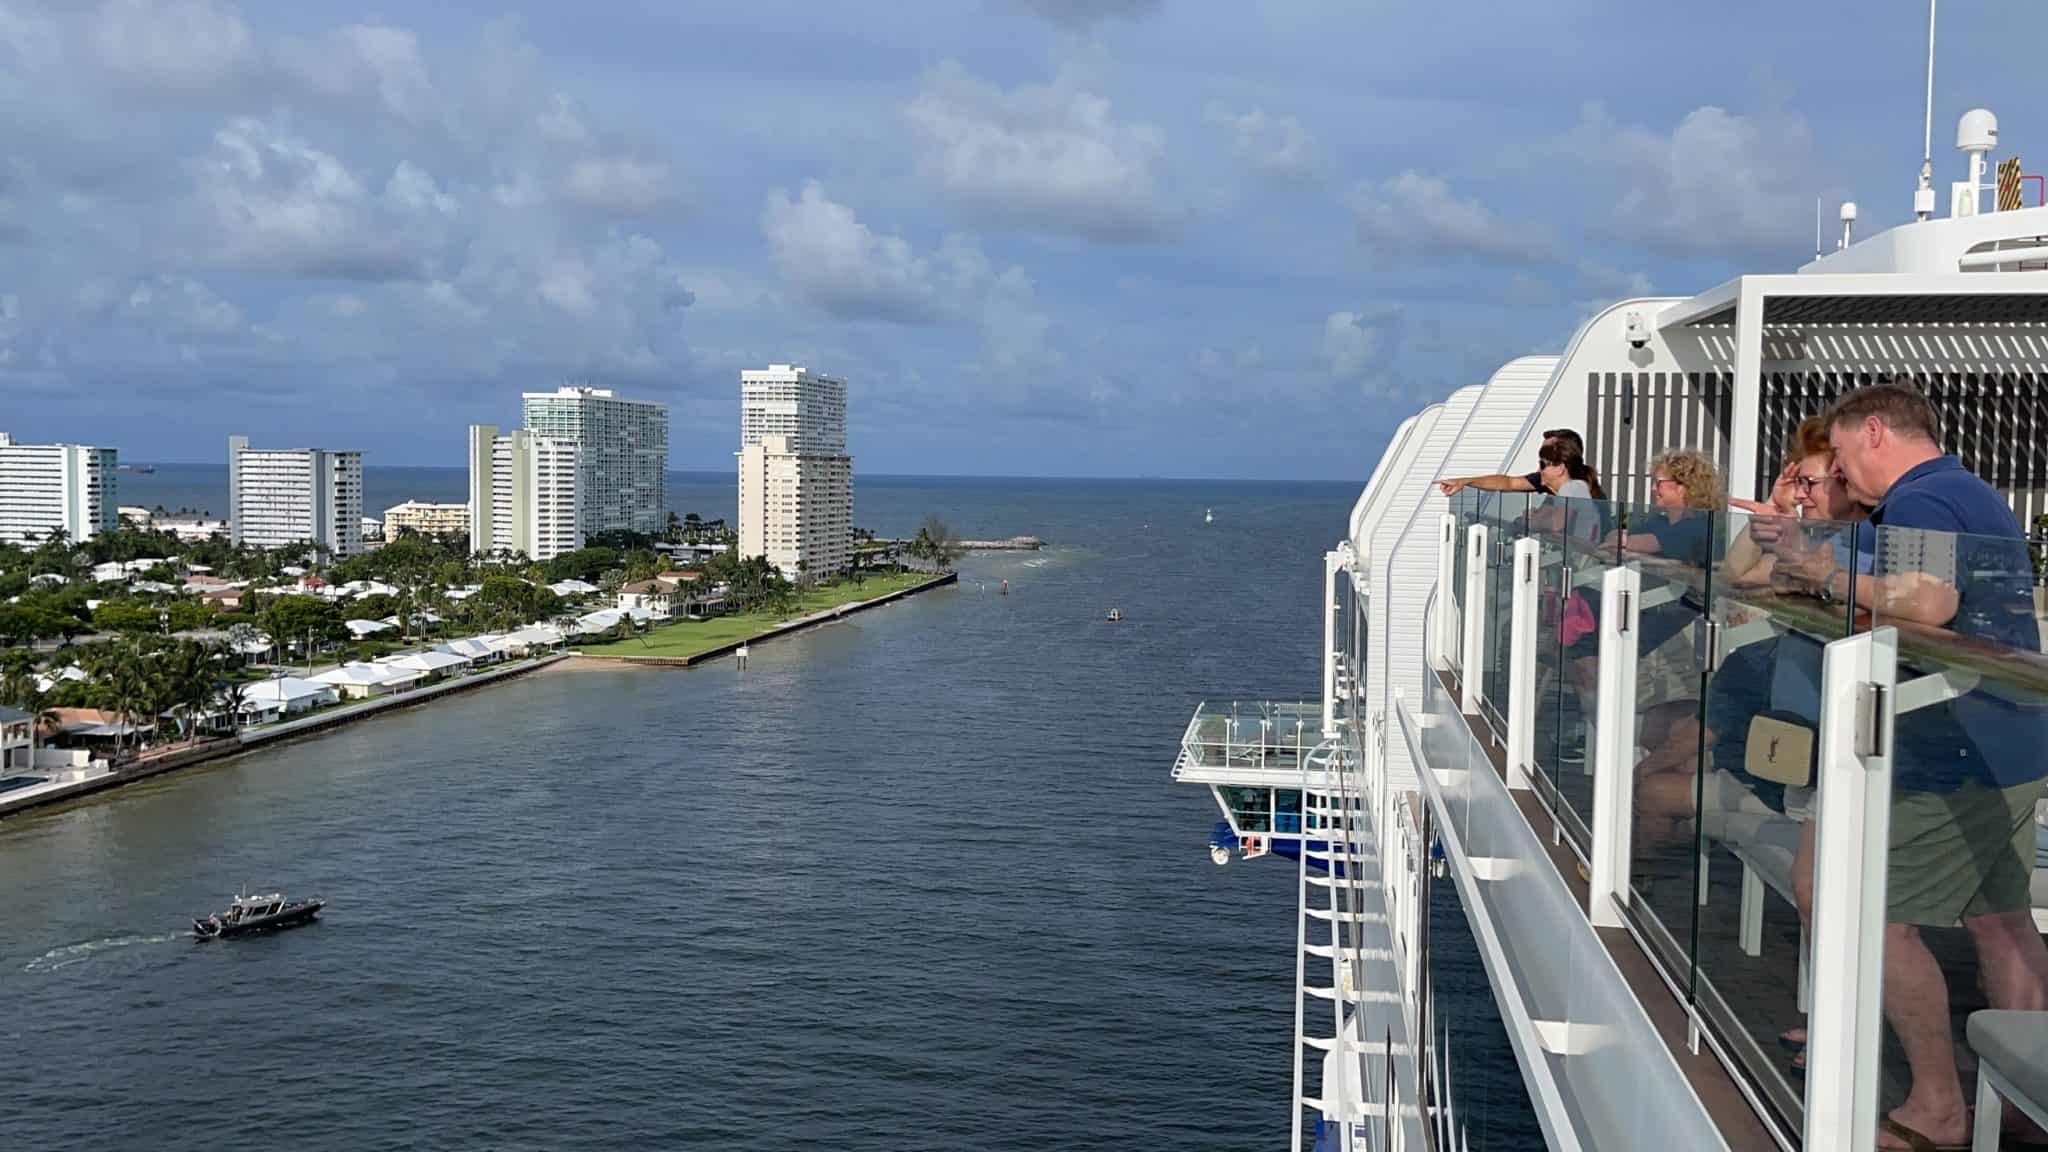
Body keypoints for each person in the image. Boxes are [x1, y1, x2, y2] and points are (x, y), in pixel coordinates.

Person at [1776, 382, 2048, 1151]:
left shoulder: (1922, 498)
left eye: (1838, 454)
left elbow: (1925, 603)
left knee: (1875, 918)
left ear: (1873, 432)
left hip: (1954, 745)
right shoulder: (1967, 490)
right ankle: (2026, 1099)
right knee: (2001, 922)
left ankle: (1937, 1106)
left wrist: (1817, 570)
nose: (1839, 475)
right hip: (2014, 736)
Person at [1438, 428, 1601, 496]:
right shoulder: (1554, 482)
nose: (1539, 469)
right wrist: (1464, 481)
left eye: (1543, 464)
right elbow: (1508, 482)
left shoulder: (1576, 491)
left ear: (1560, 468)